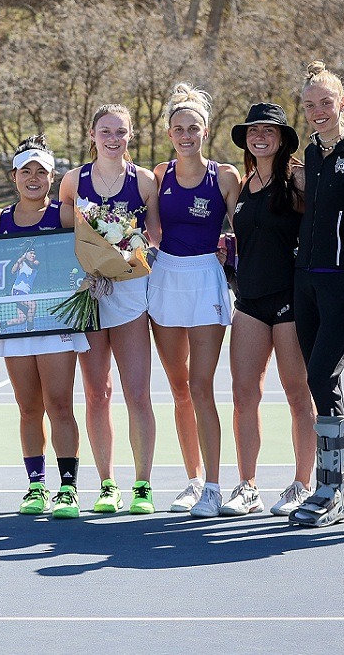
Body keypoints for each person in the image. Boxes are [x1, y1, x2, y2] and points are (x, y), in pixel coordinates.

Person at [58, 104, 160, 514]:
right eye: (106, 131)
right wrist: (97, 254)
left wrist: (126, 248)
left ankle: (142, 485)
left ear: (130, 135)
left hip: (131, 293)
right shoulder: (72, 180)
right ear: (93, 134)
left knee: (137, 393)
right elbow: (68, 229)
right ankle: (106, 484)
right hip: (90, 294)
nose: (113, 138)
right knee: (97, 393)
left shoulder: (145, 181)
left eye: (121, 131)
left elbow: (154, 236)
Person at [145, 84, 241, 514]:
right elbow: (146, 234)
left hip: (206, 279)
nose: (186, 135)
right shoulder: (159, 176)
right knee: (179, 389)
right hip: (165, 277)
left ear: (205, 131)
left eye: (194, 128)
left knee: (202, 387)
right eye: (179, 129)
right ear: (169, 133)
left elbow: (246, 228)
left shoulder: (224, 176)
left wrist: (229, 252)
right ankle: (193, 478)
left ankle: (216, 487)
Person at [221, 103, 316, 518]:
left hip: (291, 300)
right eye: (254, 130)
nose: (261, 136)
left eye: (269, 130)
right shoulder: (242, 186)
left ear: (281, 138)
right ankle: (247, 486)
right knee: (244, 396)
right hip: (249, 301)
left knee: (298, 394)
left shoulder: (297, 177)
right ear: (246, 138)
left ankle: (303, 483)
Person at [288, 62, 344, 527]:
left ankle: (331, 489)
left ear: (342, 101)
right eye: (310, 105)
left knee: (322, 377)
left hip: (343, 280)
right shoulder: (311, 154)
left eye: (326, 102)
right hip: (306, 279)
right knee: (320, 382)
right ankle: (341, 490)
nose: (318, 111)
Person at [0, 136, 88, 518]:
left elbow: (90, 255)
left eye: (41, 172)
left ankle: (67, 488)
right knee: (28, 407)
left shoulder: (64, 214)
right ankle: (35, 486)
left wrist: (89, 276)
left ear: (52, 176)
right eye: (25, 171)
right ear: (14, 175)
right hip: (17, 326)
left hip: (57, 320)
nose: (33, 178)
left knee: (59, 404)